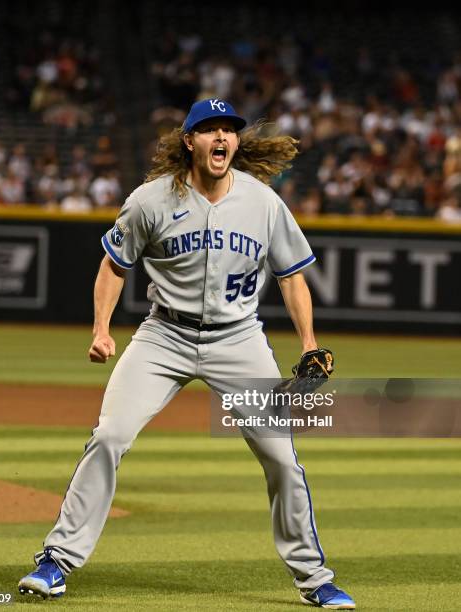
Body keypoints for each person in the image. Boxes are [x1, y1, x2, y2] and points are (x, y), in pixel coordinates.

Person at [18, 98, 355, 609]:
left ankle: (314, 579)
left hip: (239, 340)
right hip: (163, 338)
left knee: (282, 460)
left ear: (236, 143)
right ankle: (56, 561)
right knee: (109, 436)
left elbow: (292, 277)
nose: (221, 138)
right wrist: (102, 328)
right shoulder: (150, 200)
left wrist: (309, 344)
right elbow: (114, 265)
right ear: (189, 141)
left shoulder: (263, 203)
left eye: (229, 130)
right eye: (210, 130)